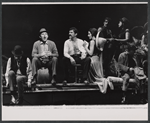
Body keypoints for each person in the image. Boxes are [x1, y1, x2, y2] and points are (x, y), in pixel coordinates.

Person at [83, 28, 114, 93]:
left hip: (93, 60)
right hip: (97, 60)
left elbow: (91, 53)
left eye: (89, 34)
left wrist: (85, 47)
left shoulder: (92, 42)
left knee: (95, 78)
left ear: (93, 34)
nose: (88, 35)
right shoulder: (97, 42)